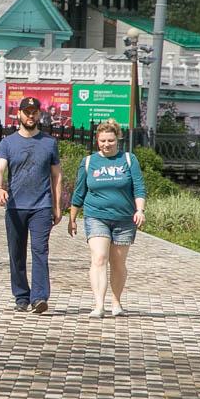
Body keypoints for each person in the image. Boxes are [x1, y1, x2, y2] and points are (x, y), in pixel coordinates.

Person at [67, 119, 147, 318]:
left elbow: (138, 187)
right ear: (97, 140)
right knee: (99, 258)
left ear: (117, 139)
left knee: (118, 263)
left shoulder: (129, 160)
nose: (106, 144)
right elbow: (79, 192)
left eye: (110, 140)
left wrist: (140, 210)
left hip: (124, 218)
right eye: (102, 140)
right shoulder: (88, 162)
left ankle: (116, 302)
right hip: (96, 216)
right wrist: (72, 218)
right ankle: (99, 305)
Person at [0, 96, 62, 314]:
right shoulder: (8, 143)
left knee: (40, 250)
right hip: (15, 207)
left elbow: (57, 176)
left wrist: (57, 206)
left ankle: (39, 297)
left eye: (34, 112)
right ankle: (21, 296)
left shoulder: (49, 143)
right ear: (19, 114)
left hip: (41, 206)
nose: (30, 116)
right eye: (27, 112)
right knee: (17, 253)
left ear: (39, 114)